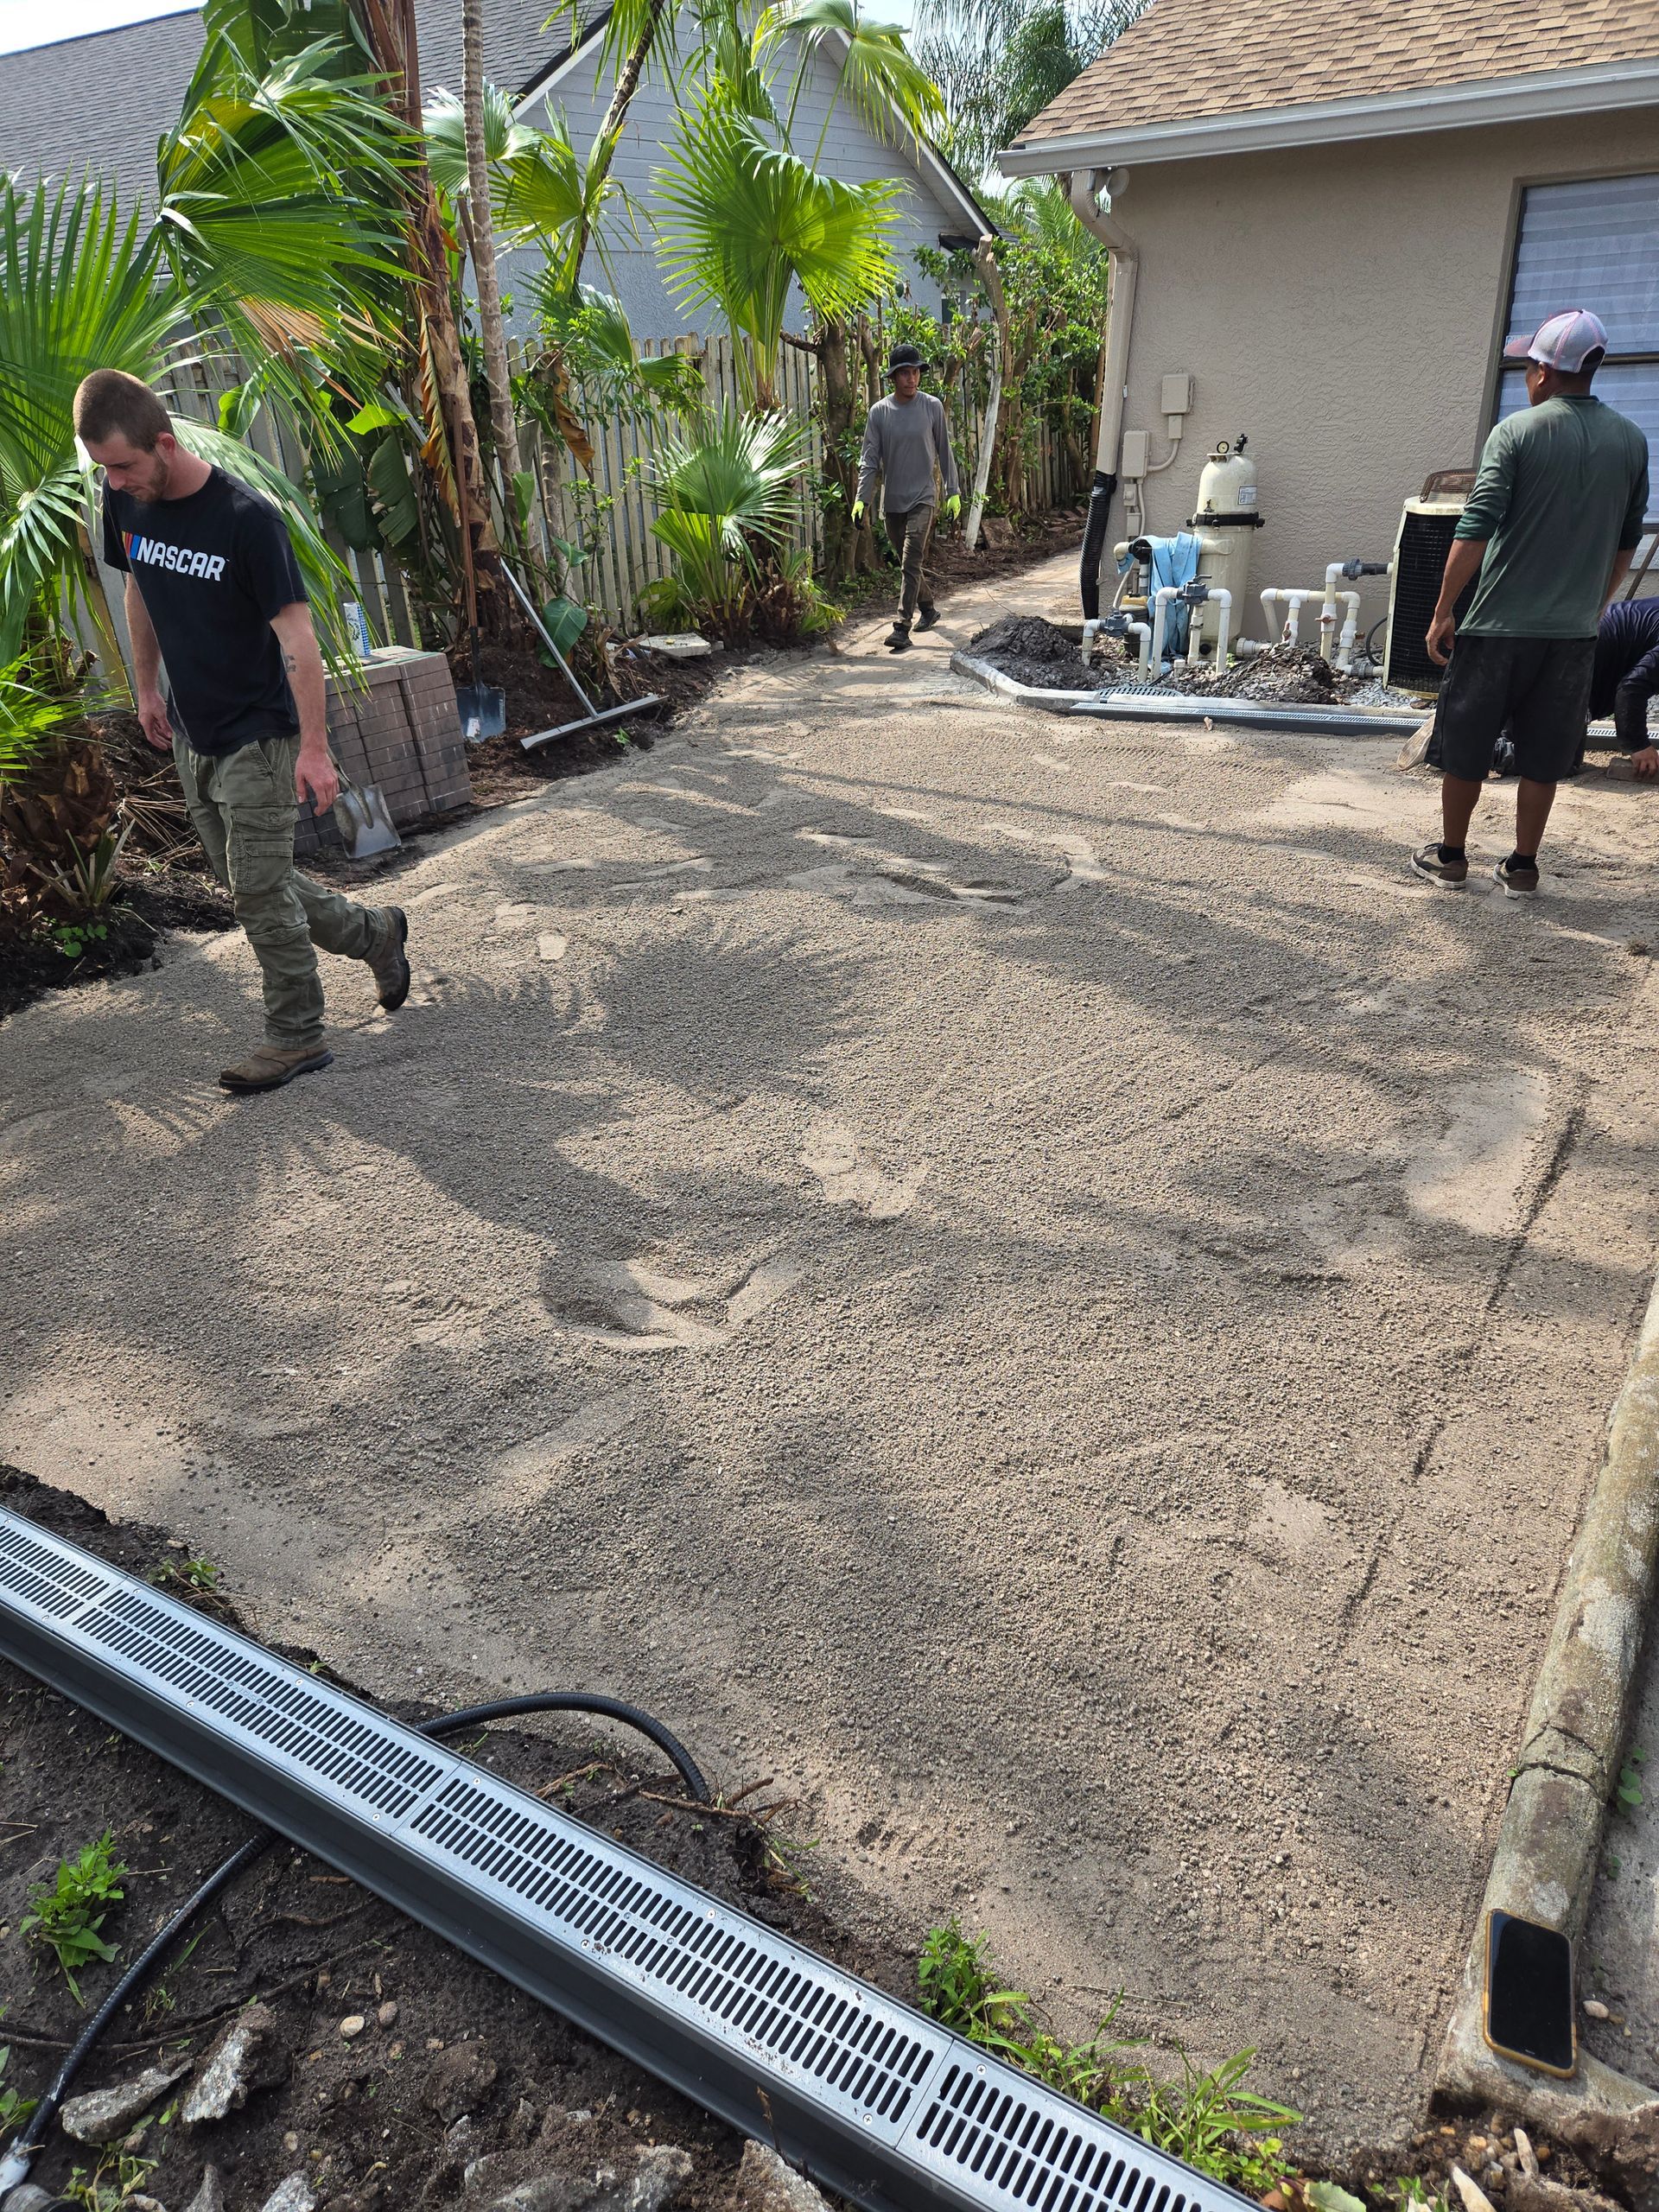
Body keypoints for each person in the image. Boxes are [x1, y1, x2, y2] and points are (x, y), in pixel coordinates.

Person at [73, 369, 411, 1093]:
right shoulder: (122, 495)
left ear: (164, 443)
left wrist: (315, 749)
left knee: (257, 895)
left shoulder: (245, 519)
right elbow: (136, 584)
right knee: (255, 881)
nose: (115, 481)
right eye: (105, 468)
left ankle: (297, 1037)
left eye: (125, 465)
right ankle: (376, 934)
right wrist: (144, 686)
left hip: (260, 732)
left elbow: (299, 640)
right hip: (194, 728)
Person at [1411, 308, 1649, 895]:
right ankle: (1522, 866)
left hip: (1497, 625)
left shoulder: (1517, 433)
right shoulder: (1631, 441)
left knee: (1466, 742)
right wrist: (1594, 605)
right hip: (1571, 634)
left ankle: (1452, 856)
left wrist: (1444, 610)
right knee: (1546, 753)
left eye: (1527, 365)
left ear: (1544, 372)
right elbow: (1626, 539)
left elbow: (1476, 526)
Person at [852, 343, 963, 653]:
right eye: (905, 373)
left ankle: (902, 626)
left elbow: (945, 450)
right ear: (893, 377)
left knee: (911, 559)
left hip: (924, 498)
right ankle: (928, 608)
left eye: (915, 372)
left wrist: (953, 492)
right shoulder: (879, 413)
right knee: (909, 563)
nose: (911, 379)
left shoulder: (932, 407)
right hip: (893, 502)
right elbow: (870, 459)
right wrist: (862, 499)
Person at [1594, 594, 1659, 770]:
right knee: (1548, 762)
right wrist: (1639, 745)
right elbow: (1632, 687)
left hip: (1591, 650)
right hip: (1580, 659)